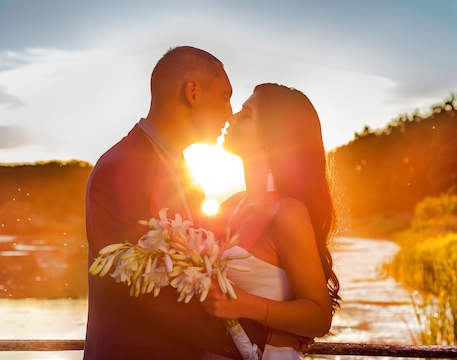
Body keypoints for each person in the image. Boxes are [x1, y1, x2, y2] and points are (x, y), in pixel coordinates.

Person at [83, 46, 268, 359]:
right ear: (192, 92)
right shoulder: (122, 166)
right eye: (225, 96)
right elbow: (139, 289)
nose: (229, 112)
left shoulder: (183, 173)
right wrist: (248, 337)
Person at [201, 83, 342, 360]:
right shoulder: (231, 204)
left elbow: (319, 317)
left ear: (270, 137)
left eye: (245, 114)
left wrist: (246, 306)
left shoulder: (288, 214)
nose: (230, 118)